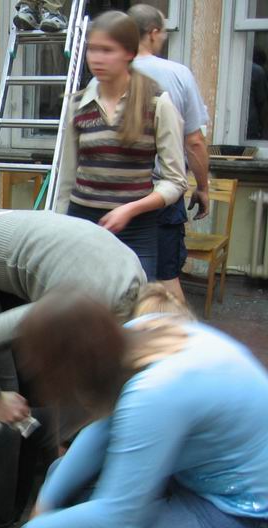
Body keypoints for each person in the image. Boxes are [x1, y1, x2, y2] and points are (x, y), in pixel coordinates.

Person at [4, 290, 268, 528]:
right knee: (59, 476)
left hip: (247, 523)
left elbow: (119, 516)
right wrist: (45, 504)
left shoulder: (154, 392)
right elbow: (103, 430)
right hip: (206, 478)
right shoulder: (142, 330)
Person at [0, 209, 146, 528]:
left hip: (40, 267)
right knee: (5, 396)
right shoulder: (82, 308)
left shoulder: (139, 309)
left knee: (39, 391)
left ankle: (33, 502)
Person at [56, 11, 186, 281]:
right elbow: (66, 180)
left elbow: (175, 181)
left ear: (129, 53)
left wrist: (130, 209)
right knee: (83, 301)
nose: (96, 58)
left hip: (137, 229)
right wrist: (59, 227)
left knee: (133, 303)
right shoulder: (77, 105)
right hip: (82, 224)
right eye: (92, 49)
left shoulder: (157, 103)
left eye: (107, 50)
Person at [129, 3, 210, 304]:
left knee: (118, 277)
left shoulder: (106, 76)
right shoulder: (177, 74)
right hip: (161, 192)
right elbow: (195, 142)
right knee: (166, 282)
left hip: (117, 193)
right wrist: (203, 187)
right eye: (162, 33)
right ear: (153, 33)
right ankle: (175, 334)